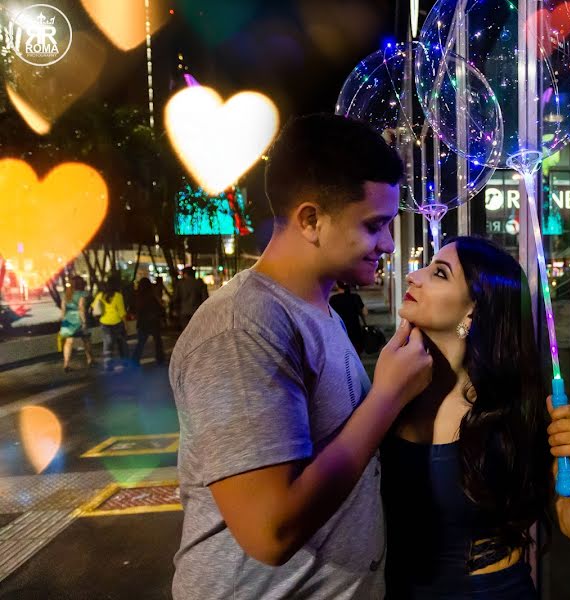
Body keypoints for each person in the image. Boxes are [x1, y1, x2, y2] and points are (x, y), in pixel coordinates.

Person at [169, 114, 432, 599]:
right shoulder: (242, 328)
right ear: (311, 220)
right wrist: (388, 396)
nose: (390, 245)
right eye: (375, 225)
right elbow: (271, 532)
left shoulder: (318, 311)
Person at [382, 237, 570, 598]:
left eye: (438, 273)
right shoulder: (388, 391)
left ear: (473, 312)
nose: (412, 275)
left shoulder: (515, 411)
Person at [92, 277, 128, 371]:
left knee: (107, 344)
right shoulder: (118, 296)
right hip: (117, 323)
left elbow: (93, 307)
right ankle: (124, 363)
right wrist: (126, 324)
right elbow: (122, 312)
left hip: (104, 323)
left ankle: (108, 364)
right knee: (121, 344)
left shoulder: (100, 295)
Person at [59, 275, 94, 372]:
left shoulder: (66, 294)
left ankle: (66, 364)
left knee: (68, 342)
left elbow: (63, 309)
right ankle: (90, 359)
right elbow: (81, 308)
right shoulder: (82, 294)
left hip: (68, 320)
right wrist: (84, 322)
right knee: (86, 340)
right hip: (78, 319)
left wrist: (63, 320)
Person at [131, 277, 166, 365]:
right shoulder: (152, 296)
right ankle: (160, 359)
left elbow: (133, 310)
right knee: (158, 342)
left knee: (141, 343)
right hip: (153, 322)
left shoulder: (136, 296)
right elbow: (159, 309)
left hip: (142, 323)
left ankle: (135, 360)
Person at [329, 281, 368, 353]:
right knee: (356, 354)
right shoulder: (355, 297)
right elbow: (365, 313)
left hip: (340, 332)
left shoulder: (333, 299)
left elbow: (328, 316)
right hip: (355, 331)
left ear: (338, 285)